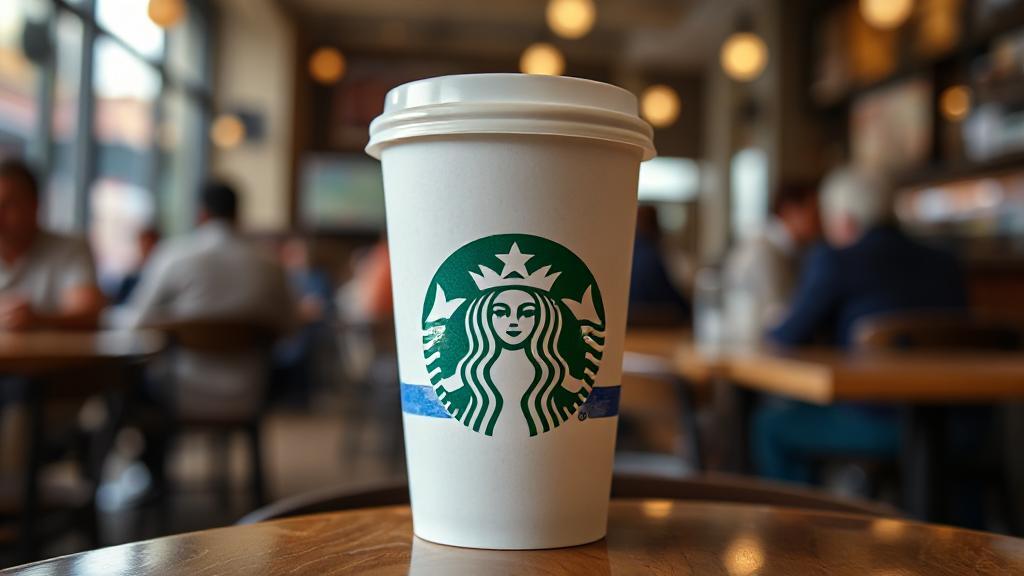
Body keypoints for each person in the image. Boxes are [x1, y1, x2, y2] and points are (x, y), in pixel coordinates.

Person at [753, 167, 967, 484]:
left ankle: (800, 528)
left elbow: (787, 336)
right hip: (959, 424)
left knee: (769, 425)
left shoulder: (836, 260)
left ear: (844, 220)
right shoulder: (947, 263)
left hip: (880, 424)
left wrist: (767, 326)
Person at [122, 181, 295, 419]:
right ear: (237, 214)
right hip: (252, 393)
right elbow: (290, 327)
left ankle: (154, 456)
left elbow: (136, 320)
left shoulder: (174, 255)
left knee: (125, 388)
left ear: (201, 214)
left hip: (176, 391)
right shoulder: (270, 264)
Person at [0, 158, 104, 331]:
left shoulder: (70, 249)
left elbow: (89, 313)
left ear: (34, 205)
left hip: (54, 358)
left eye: (7, 205)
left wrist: (37, 320)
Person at [724, 181, 821, 330]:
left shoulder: (792, 251)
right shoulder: (762, 252)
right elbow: (775, 319)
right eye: (814, 213)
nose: (820, 221)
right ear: (790, 211)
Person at [628, 205, 689, 326]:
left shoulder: (627, 254)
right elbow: (667, 293)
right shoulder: (652, 254)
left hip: (630, 323)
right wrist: (689, 307)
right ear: (655, 224)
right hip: (656, 322)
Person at [113, 226, 160, 305]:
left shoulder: (162, 271)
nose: (145, 248)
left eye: (149, 244)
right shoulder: (131, 277)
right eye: (142, 244)